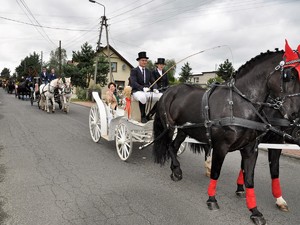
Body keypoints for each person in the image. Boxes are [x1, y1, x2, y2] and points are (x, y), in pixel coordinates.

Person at [129, 51, 162, 123]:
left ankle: (150, 114)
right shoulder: (134, 70)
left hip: (147, 91)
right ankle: (143, 116)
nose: (144, 62)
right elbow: (133, 83)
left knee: (161, 96)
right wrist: (142, 88)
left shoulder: (148, 71)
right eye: (142, 60)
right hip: (137, 91)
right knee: (142, 97)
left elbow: (153, 82)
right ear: (139, 61)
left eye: (145, 60)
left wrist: (155, 88)